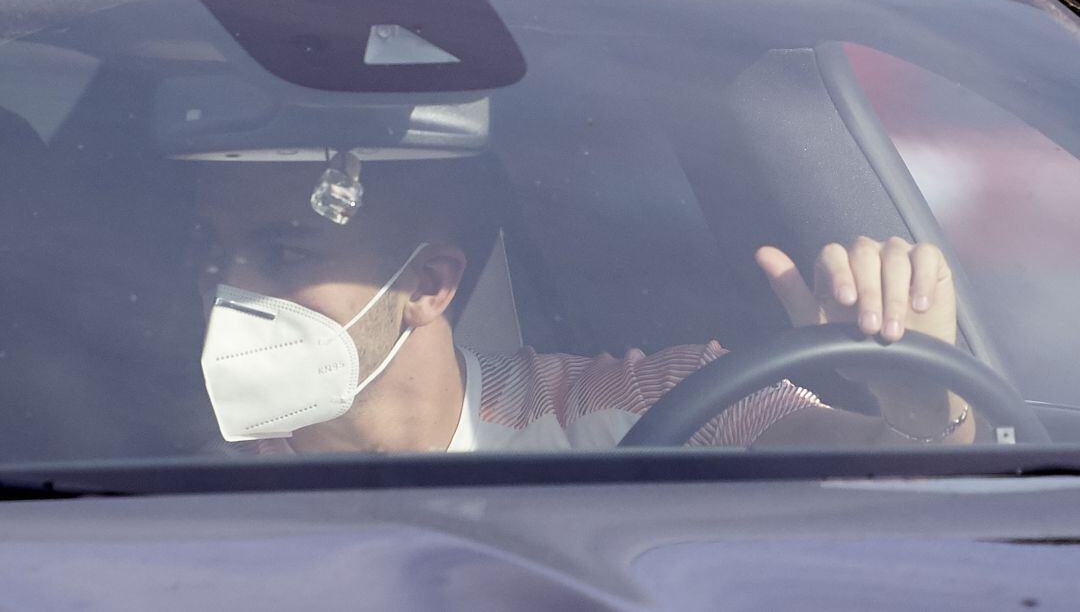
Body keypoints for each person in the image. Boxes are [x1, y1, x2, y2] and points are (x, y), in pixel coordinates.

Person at [194, 154, 975, 455]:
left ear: (427, 286)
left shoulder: (655, 406)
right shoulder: (178, 481)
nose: (231, 291)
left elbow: (912, 518)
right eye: (216, 258)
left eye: (284, 254)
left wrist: (918, 394)